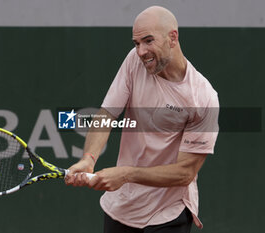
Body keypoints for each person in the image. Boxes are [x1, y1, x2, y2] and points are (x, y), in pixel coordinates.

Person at [65, 5, 219, 233]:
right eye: (136, 43)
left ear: (172, 38)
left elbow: (185, 172)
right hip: (123, 206)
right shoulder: (134, 62)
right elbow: (107, 114)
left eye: (148, 41)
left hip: (168, 213)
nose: (140, 51)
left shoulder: (203, 98)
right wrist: (89, 159)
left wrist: (126, 174)